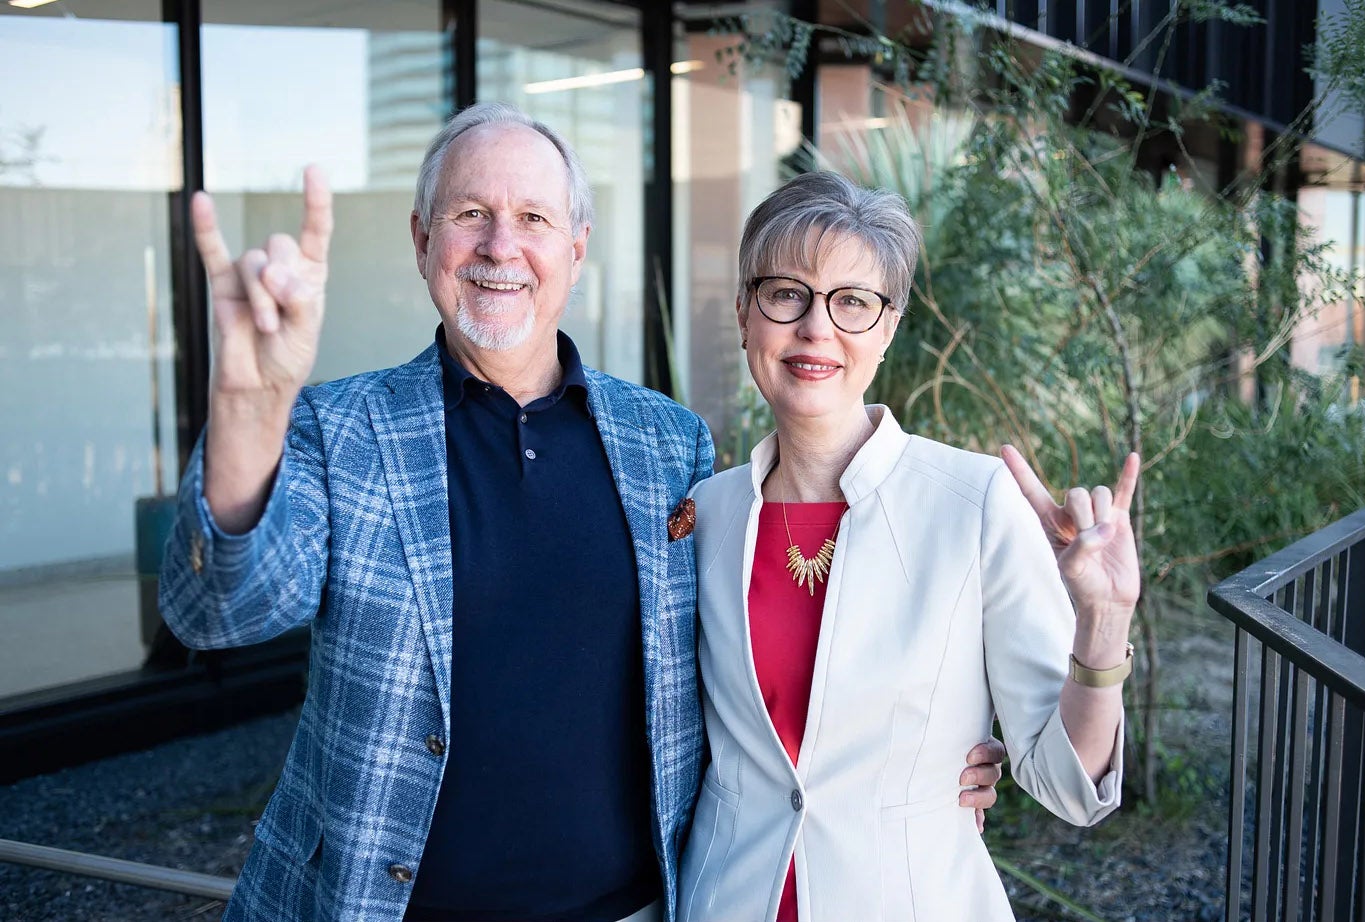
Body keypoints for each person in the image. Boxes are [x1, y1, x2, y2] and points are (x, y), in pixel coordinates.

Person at [158, 104, 1005, 922]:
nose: (501, 246)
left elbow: (750, 658)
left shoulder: (666, 443)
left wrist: (924, 756)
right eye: (470, 213)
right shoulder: (338, 430)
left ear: (576, 247)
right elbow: (221, 610)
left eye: (533, 216)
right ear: (423, 241)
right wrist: (247, 407)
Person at [677, 171, 1141, 922]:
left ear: (887, 330)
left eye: (852, 302)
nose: (816, 329)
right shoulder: (704, 513)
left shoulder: (975, 502)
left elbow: (1066, 785)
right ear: (743, 313)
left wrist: (1105, 619)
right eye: (785, 293)